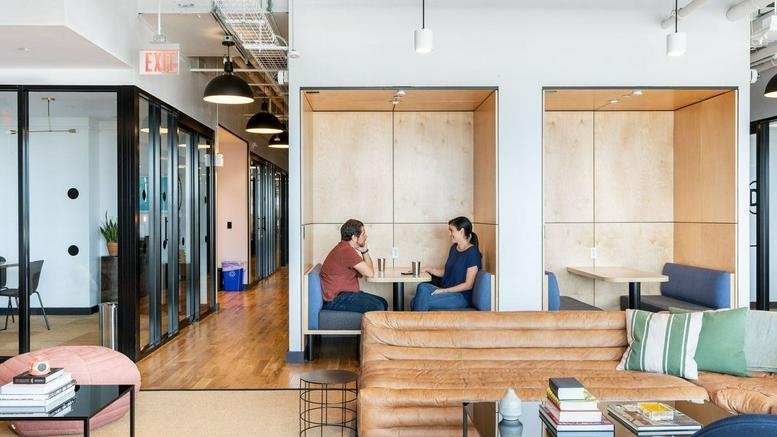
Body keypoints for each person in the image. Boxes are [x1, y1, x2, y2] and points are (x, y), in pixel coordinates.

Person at [411, 216, 482, 311]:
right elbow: (448, 272)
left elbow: (468, 285)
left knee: (418, 302)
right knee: (422, 287)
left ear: (461, 231)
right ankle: (420, 324)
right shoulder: (454, 248)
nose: (449, 234)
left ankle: (416, 326)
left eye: (451, 230)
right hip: (447, 290)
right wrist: (429, 269)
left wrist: (444, 291)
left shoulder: (472, 252)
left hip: (460, 296)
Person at [320, 219, 388, 313]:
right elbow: (370, 273)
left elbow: (368, 270)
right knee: (378, 306)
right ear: (354, 237)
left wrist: (364, 251)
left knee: (383, 302)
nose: (366, 236)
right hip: (336, 299)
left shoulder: (344, 248)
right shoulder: (346, 251)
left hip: (345, 295)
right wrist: (365, 251)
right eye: (363, 234)